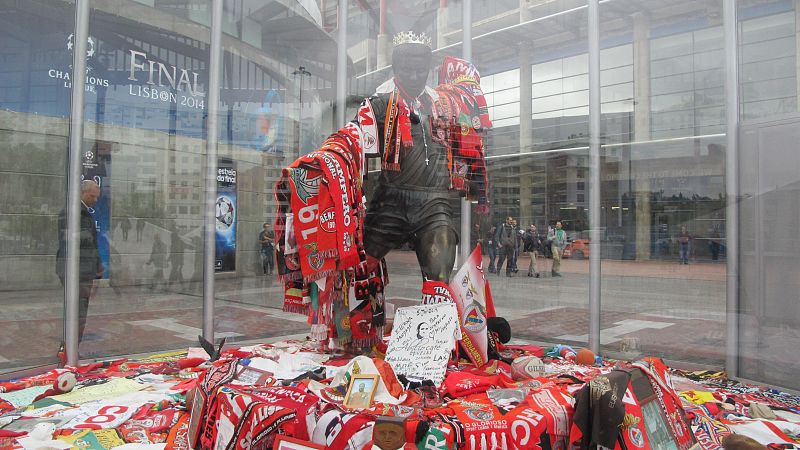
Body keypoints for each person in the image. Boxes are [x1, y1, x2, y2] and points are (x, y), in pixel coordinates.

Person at [359, 32, 460, 283]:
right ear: (395, 68)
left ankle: (437, 318)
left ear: (429, 69)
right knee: (359, 268)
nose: (414, 77)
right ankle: (354, 320)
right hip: (390, 199)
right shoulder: (379, 104)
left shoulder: (441, 106)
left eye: (420, 70)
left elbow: (461, 146)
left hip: (433, 203)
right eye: (407, 70)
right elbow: (352, 137)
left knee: (441, 269)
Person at [55, 180, 104, 361]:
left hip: (84, 269)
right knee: (77, 312)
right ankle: (69, 349)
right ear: (83, 193)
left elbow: (91, 243)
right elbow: (76, 239)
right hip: (76, 269)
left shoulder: (82, 212)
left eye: (97, 197)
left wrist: (98, 266)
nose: (95, 200)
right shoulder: (71, 212)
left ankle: (71, 348)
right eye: (93, 196)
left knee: (79, 311)